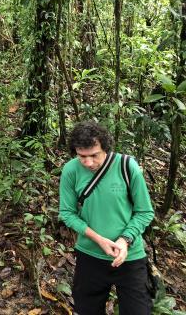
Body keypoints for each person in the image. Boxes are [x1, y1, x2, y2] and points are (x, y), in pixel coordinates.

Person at [59, 121, 155, 314]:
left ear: (106, 148)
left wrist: (124, 240)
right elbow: (67, 213)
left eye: (94, 155)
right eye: (82, 156)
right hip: (89, 256)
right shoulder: (70, 170)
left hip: (130, 257)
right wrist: (98, 239)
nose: (88, 162)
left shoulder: (127, 166)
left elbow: (145, 212)